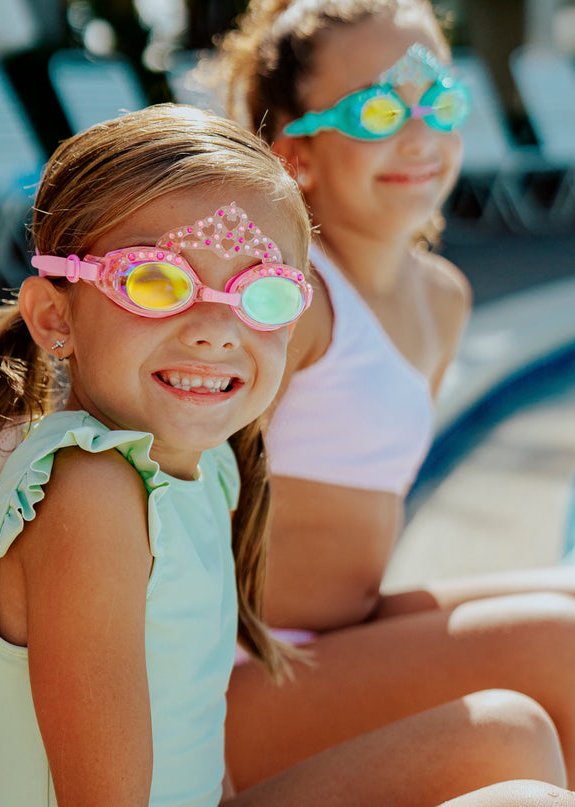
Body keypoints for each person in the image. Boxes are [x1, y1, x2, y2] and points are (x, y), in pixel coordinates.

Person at [0, 102, 573, 807]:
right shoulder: (90, 491)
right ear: (56, 316)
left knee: (507, 730)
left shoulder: (209, 466)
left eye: (259, 292)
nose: (213, 327)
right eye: (155, 281)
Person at [214, 0, 575, 792]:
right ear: (296, 156)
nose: (418, 135)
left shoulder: (440, 298)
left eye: (437, 100)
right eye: (377, 110)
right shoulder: (289, 302)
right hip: (238, 673)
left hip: (345, 634)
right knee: (561, 645)